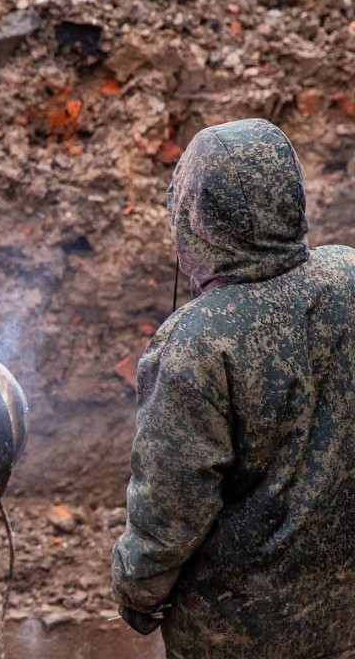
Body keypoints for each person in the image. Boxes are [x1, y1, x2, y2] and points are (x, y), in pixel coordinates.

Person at [111, 118, 355, 658]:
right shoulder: (349, 275)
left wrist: (137, 589)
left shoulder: (195, 343)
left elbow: (171, 510)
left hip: (237, 633)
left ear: (194, 219)